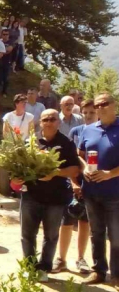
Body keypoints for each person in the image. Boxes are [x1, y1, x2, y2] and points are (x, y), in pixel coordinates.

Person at [12, 109, 80, 282]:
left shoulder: (66, 143)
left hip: (56, 199)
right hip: (31, 197)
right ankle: (29, 267)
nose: (49, 122)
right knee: (27, 235)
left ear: (58, 122)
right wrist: (17, 177)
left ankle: (44, 268)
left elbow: (75, 169)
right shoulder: (30, 143)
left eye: (52, 119)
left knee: (50, 236)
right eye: (45, 119)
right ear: (40, 122)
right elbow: (18, 168)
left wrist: (55, 172)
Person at [78, 93, 119, 290]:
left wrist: (110, 173)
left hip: (115, 192)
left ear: (114, 105)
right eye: (97, 105)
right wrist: (85, 166)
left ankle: (117, 275)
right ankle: (99, 270)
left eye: (105, 104)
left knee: (116, 234)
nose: (100, 107)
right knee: (96, 233)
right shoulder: (88, 130)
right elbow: (79, 154)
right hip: (91, 191)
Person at [52, 99, 97, 275]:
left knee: (85, 222)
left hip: (91, 184)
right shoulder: (75, 131)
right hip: (72, 183)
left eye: (91, 113)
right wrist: (73, 182)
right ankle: (61, 259)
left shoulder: (101, 132)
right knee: (67, 221)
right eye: (85, 113)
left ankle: (81, 258)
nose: (87, 116)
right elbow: (69, 158)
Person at [0, 29, 14, 97]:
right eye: (4, 34)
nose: (5, 36)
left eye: (6, 34)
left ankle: (4, 92)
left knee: (5, 78)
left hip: (7, 62)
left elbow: (9, 49)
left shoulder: (10, 42)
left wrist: (0, 52)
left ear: (9, 35)